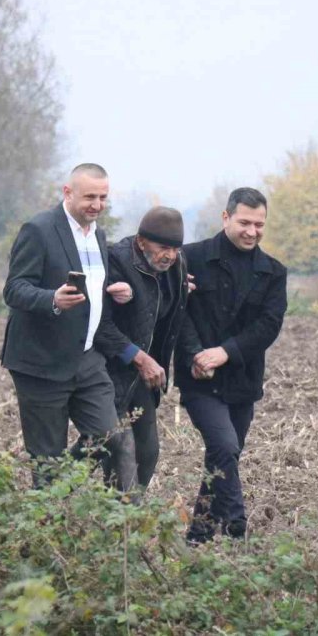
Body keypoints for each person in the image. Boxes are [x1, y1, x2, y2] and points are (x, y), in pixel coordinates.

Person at [1, 163, 135, 489]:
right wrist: (52, 299)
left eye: (103, 198)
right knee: (47, 460)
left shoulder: (98, 236)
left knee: (112, 437)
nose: (97, 205)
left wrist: (113, 291)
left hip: (87, 359)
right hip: (41, 364)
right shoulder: (39, 230)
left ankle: (117, 521)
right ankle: (45, 524)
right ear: (67, 192)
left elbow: (88, 287)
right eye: (90, 196)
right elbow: (15, 289)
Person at [175, 187, 287, 544]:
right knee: (224, 446)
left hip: (243, 381)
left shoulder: (273, 272)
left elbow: (268, 326)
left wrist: (225, 352)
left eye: (259, 224)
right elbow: (177, 313)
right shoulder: (189, 259)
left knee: (223, 457)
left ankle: (199, 535)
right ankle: (237, 525)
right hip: (199, 379)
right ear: (226, 218)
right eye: (244, 223)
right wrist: (196, 354)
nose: (252, 231)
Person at [91, 207, 192, 490]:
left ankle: (127, 518)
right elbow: (98, 323)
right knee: (103, 446)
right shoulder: (114, 260)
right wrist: (136, 356)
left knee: (147, 452)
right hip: (105, 370)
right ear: (141, 241)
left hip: (142, 376)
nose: (170, 255)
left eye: (175, 248)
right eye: (163, 247)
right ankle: (51, 503)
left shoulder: (177, 267)